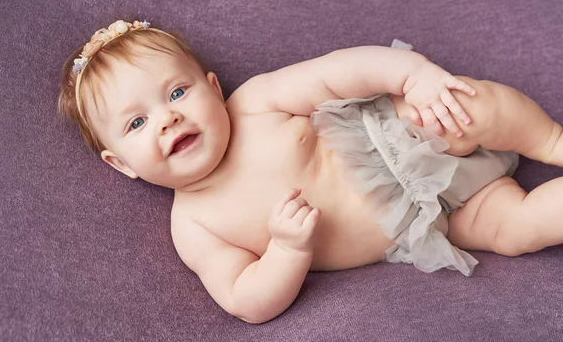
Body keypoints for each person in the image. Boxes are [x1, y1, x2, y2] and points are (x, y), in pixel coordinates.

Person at [58, 20, 563, 324]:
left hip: (406, 131)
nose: (168, 117)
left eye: (177, 93)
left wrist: (413, 76)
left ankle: (552, 141)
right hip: (432, 220)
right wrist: (286, 250)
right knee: (516, 230)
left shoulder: (253, 104)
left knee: (469, 107)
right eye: (138, 122)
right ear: (120, 163)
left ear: (213, 87)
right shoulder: (194, 226)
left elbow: (336, 71)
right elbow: (245, 301)